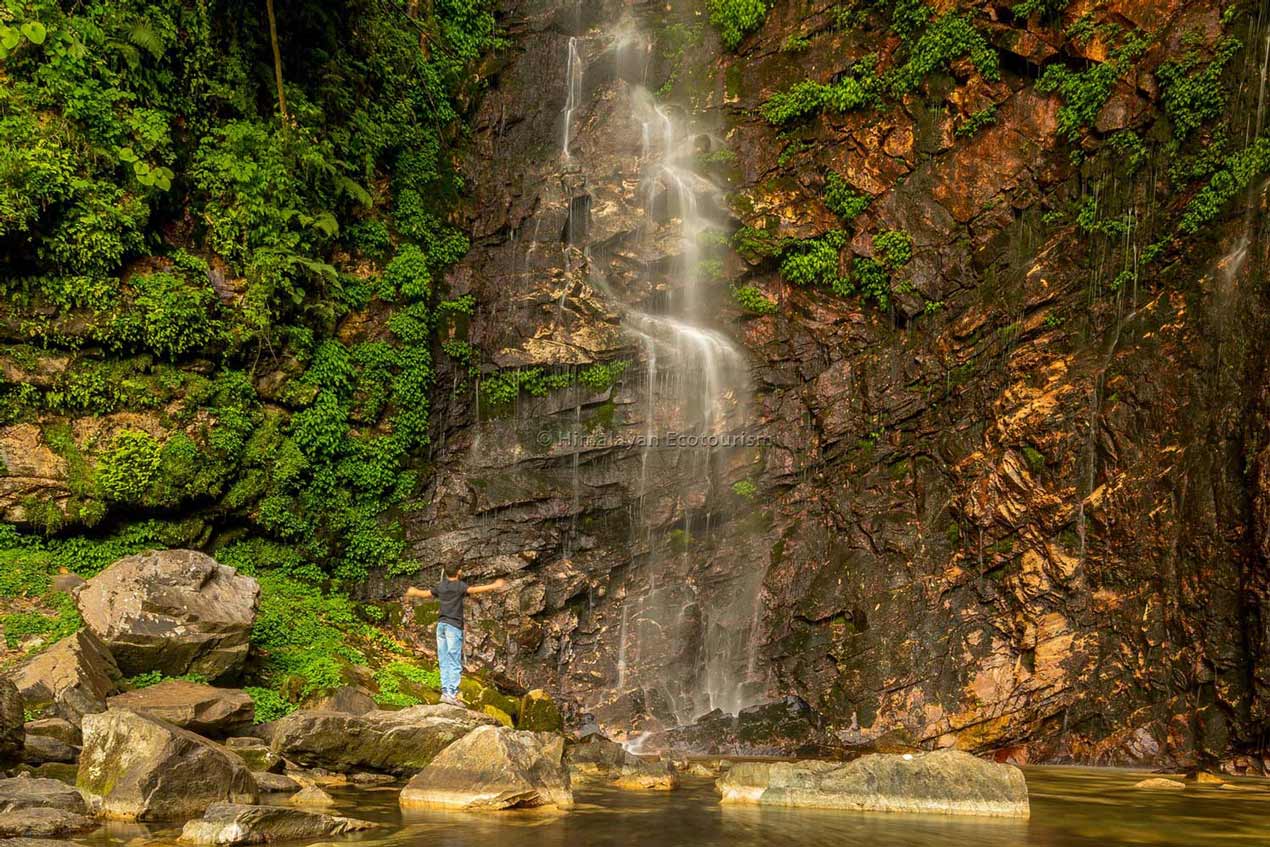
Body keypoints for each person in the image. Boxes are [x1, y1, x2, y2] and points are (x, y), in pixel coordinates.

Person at [405, 564, 508, 706]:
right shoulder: (459, 586)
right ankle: (451, 694)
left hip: (441, 626)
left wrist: (414, 591)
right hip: (453, 627)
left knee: (444, 658)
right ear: (458, 572)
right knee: (454, 660)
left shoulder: (441, 586)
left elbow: (425, 594)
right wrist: (494, 585)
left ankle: (445, 692)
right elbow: (474, 590)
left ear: (445, 573)